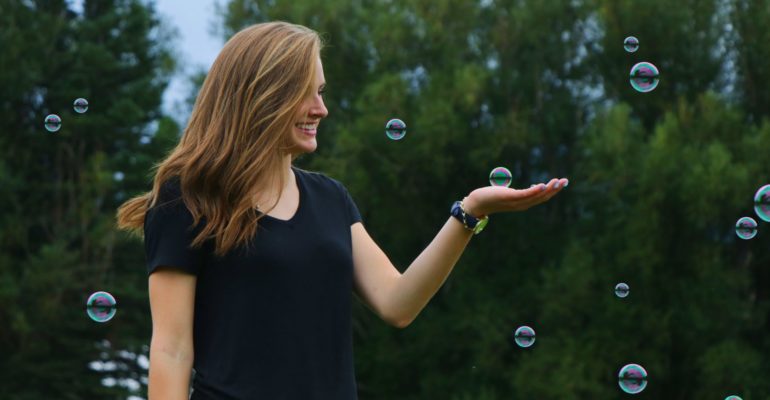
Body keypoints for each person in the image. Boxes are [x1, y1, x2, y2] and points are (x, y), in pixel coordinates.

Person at [116, 21, 567, 400]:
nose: (322, 109)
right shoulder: (186, 200)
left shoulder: (330, 199)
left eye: (321, 92)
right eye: (306, 94)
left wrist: (469, 212)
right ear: (263, 96)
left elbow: (398, 303)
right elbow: (172, 350)